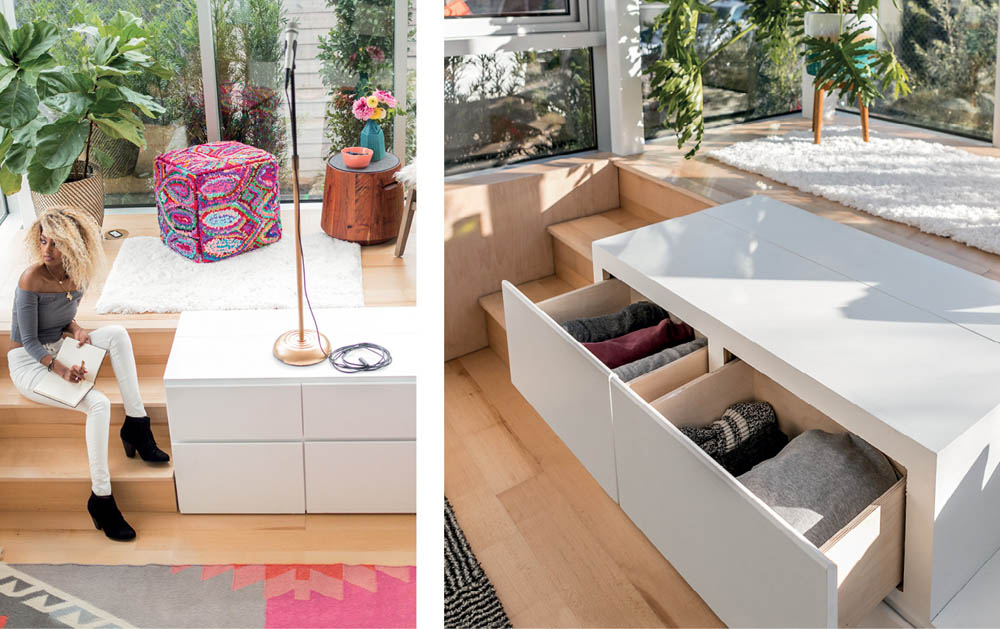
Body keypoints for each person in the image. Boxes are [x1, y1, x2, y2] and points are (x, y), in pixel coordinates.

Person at [6, 206, 168, 541]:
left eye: (56, 243)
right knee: (98, 404)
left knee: (118, 333)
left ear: (75, 246)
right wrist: (59, 368)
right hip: (30, 362)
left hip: (59, 348)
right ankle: (102, 499)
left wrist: (77, 329)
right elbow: (28, 339)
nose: (47, 250)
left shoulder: (77, 275)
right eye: (44, 241)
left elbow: (61, 318)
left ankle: (137, 426)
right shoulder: (30, 277)